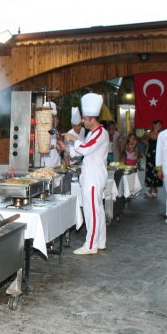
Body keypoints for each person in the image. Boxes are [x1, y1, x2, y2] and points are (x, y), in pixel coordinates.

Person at [60, 93, 109, 255]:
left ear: (92, 119)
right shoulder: (92, 133)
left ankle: (90, 245)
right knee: (97, 210)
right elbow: (83, 150)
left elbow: (85, 149)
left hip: (94, 178)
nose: (82, 121)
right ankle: (100, 241)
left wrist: (73, 139)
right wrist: (66, 148)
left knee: (92, 212)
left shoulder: (100, 133)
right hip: (91, 176)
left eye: (85, 119)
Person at [142, 119, 163, 198]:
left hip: (159, 155)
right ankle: (151, 189)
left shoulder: (161, 134)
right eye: (158, 125)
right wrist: (146, 143)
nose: (160, 126)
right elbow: (141, 139)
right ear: (154, 125)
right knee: (150, 171)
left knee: (157, 171)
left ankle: (155, 189)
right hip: (150, 155)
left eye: (160, 125)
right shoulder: (148, 133)